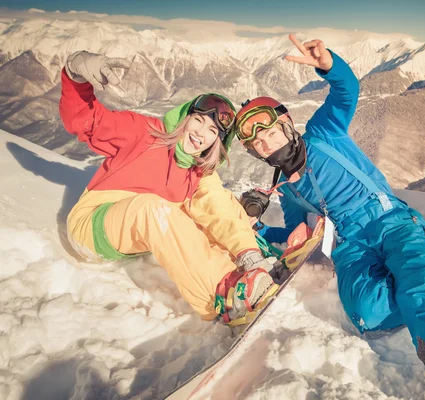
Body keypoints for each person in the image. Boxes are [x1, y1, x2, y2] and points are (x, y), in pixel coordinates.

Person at [233, 34, 425, 399]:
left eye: (268, 132)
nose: (265, 143)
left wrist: (327, 62)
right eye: (256, 143)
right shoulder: (286, 188)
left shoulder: (323, 133)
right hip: (350, 244)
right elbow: (294, 232)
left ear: (286, 124)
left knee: (421, 290)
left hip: (389, 220)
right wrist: (254, 228)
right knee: (369, 316)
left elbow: (346, 91)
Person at [59, 50, 277, 326]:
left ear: (216, 143)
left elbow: (217, 209)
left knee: (215, 208)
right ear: (185, 118)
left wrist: (247, 252)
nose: (201, 133)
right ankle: (226, 293)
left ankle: (250, 262)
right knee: (154, 209)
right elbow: (87, 122)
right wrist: (75, 75)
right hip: (94, 224)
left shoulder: (198, 172)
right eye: (199, 120)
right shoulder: (144, 133)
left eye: (212, 132)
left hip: (139, 232)